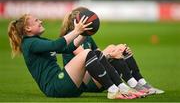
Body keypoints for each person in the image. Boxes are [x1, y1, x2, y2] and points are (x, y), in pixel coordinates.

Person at [8, 14, 140, 99]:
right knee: (87, 53)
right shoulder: (30, 43)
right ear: (28, 28)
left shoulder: (37, 41)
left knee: (96, 54)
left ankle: (121, 88)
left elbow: (68, 48)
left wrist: (83, 33)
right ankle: (113, 90)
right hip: (55, 86)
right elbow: (57, 45)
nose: (40, 21)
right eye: (36, 20)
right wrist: (76, 31)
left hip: (64, 85)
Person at [60, 7, 164, 95]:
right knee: (113, 50)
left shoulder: (86, 37)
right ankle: (133, 85)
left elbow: (99, 55)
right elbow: (89, 59)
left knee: (118, 47)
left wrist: (118, 52)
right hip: (85, 81)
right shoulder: (70, 38)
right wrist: (111, 55)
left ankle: (141, 83)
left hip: (95, 74)